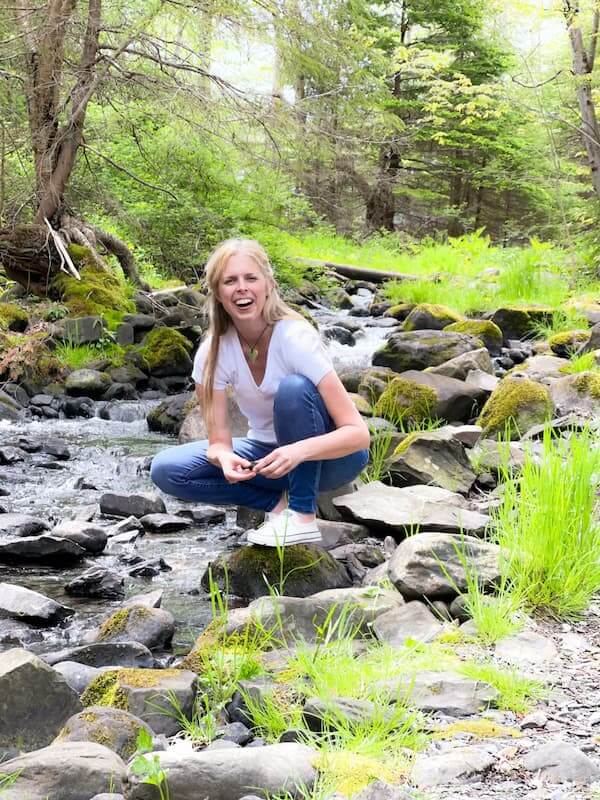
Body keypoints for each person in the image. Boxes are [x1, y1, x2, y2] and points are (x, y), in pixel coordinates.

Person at [150, 238, 370, 547]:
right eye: (230, 281)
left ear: (267, 284)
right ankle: (278, 508)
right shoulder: (212, 352)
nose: (241, 287)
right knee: (166, 469)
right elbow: (217, 444)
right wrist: (225, 458)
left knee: (294, 389)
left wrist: (298, 451)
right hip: (266, 459)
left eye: (250, 278)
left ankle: (302, 515)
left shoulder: (294, 337)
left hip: (333, 459)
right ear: (218, 292)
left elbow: (359, 435)